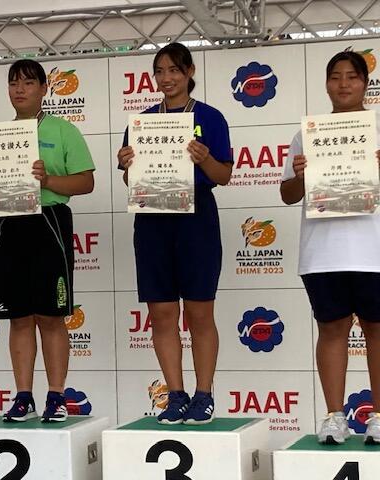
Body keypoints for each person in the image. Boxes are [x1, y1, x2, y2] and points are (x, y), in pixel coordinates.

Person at [0, 59, 95, 422]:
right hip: (6, 226)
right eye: (14, 83)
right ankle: (23, 396)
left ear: (44, 88)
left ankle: (56, 396)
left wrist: (48, 180)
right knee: (18, 317)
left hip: (48, 224)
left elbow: (86, 182)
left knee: (51, 316)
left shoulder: (63, 130)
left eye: (28, 83)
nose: (20, 89)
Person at [117, 43, 232, 425]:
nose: (166, 78)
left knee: (199, 312)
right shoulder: (142, 122)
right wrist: (126, 166)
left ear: (189, 72)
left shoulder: (210, 117)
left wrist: (205, 158)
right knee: (162, 312)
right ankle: (176, 394)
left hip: (196, 219)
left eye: (174, 70)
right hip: (153, 221)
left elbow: (224, 175)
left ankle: (204, 394)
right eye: (160, 71)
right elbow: (131, 180)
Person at [280, 50, 380, 445]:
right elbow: (288, 194)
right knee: (332, 329)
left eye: (352, 77)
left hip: (373, 250)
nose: (343, 84)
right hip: (323, 251)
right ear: (326, 84)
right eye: (336, 76)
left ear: (365, 84)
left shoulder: (377, 128)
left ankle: (378, 417)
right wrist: (301, 176)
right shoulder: (307, 135)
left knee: (376, 329)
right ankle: (335, 416)